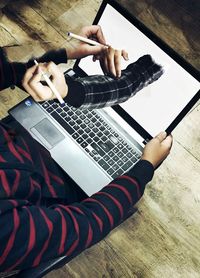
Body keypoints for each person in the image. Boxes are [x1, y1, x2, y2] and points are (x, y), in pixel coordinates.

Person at [0, 25, 173, 273]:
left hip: (17, 141)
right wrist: (144, 170)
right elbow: (81, 225)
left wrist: (62, 53)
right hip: (55, 190)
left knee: (82, 92)